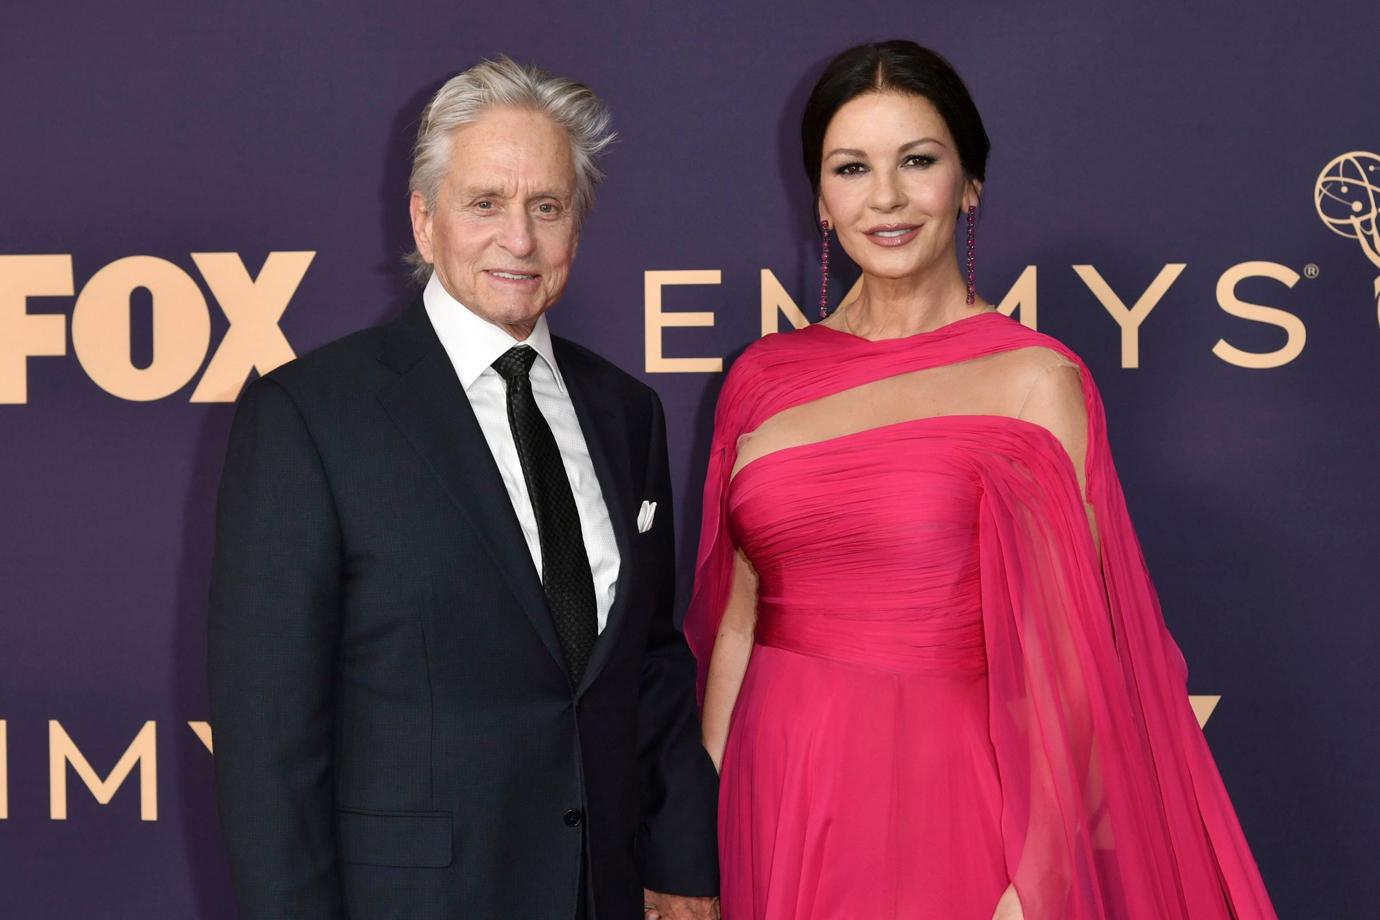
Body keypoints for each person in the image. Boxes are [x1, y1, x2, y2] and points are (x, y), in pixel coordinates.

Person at [685, 41, 1277, 919]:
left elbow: (1075, 670)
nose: (885, 197)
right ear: (819, 196)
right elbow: (734, 622)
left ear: (969, 184)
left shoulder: (1036, 381)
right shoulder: (760, 377)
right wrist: (702, 843)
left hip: (952, 796)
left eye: (917, 161)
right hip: (771, 786)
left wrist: (1034, 881)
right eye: (852, 168)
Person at [208, 56, 719, 920]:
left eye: (546, 207)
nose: (518, 239)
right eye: (486, 202)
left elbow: (650, 666)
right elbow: (270, 744)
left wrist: (681, 865)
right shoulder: (309, 416)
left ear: (577, 228)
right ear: (424, 217)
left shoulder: (626, 412)